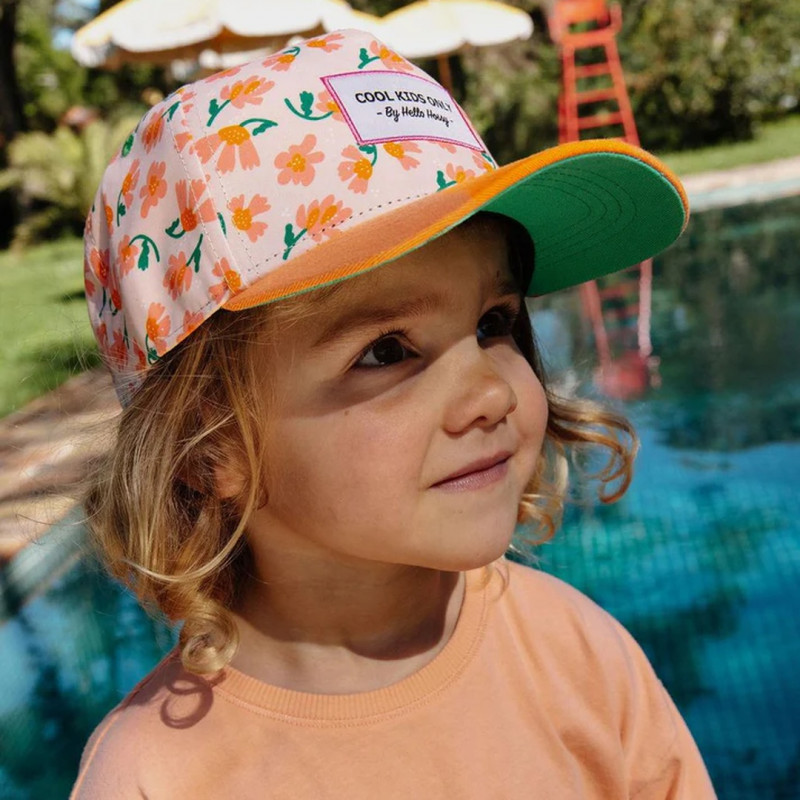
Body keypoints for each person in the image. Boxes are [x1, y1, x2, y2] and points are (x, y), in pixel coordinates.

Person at [70, 28, 716, 799]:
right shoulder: (158, 777)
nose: (491, 393)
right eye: (386, 351)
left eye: (494, 322)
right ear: (211, 449)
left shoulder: (578, 657)